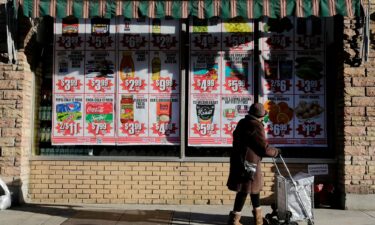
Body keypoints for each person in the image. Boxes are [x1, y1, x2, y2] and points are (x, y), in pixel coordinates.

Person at [227, 103, 280, 225]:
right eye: (263, 116)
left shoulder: (242, 122)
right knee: (248, 189)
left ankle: (255, 219)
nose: (263, 118)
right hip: (250, 163)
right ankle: (240, 220)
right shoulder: (256, 125)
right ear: (260, 116)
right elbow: (263, 148)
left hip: (240, 161)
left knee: (249, 189)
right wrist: (276, 152)